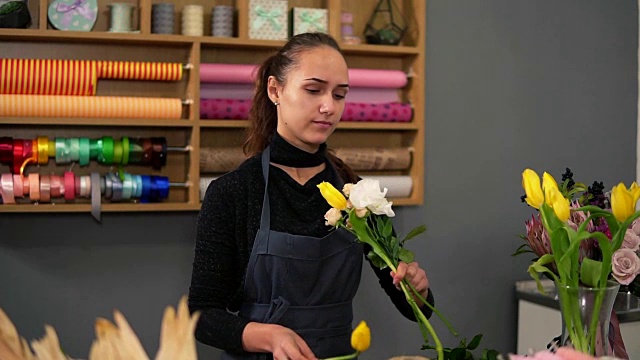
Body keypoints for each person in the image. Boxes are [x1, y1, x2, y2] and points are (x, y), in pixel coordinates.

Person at [188, 32, 435, 360]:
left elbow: (414, 308)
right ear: (275, 90)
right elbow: (201, 316)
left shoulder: (356, 193)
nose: (328, 106)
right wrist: (267, 336)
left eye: (340, 94)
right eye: (314, 90)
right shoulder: (232, 193)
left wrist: (417, 289)